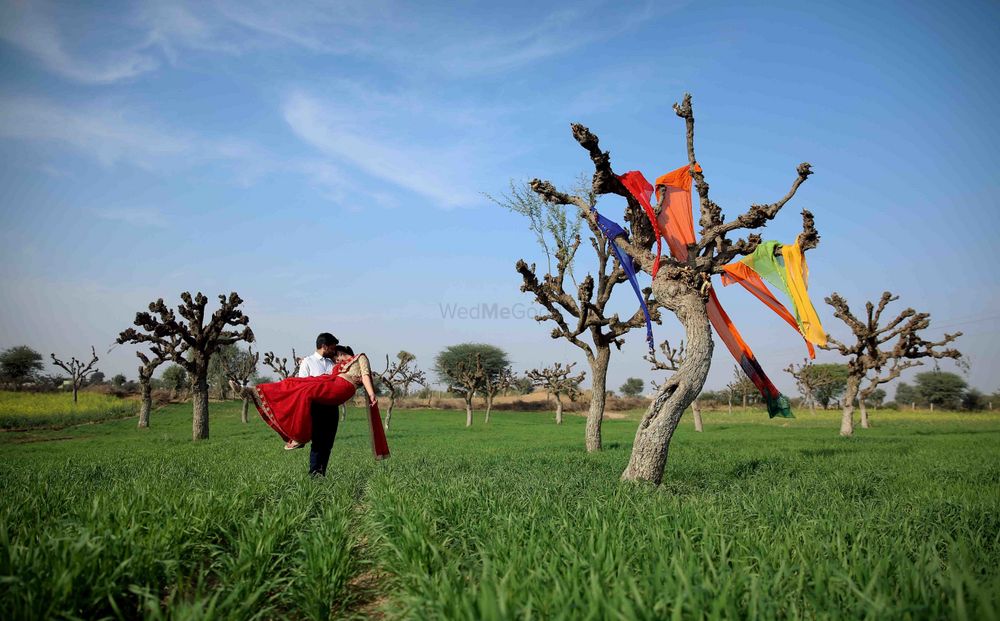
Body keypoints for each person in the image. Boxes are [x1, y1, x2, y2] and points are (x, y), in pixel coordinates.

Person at [243, 345, 385, 467]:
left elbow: (365, 375)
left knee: (307, 393)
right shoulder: (338, 366)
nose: (335, 362)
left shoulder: (360, 357)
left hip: (341, 389)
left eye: (336, 359)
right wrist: (304, 361)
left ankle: (300, 436)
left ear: (341, 353)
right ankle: (254, 390)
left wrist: (371, 394)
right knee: (292, 382)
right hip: (328, 389)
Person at [296, 332, 340, 476]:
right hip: (316, 408)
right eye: (332, 348)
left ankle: (322, 473)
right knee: (318, 443)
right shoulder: (307, 362)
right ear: (324, 346)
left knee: (328, 444)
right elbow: (302, 385)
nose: (334, 351)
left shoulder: (332, 363)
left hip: (332, 408)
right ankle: (314, 473)